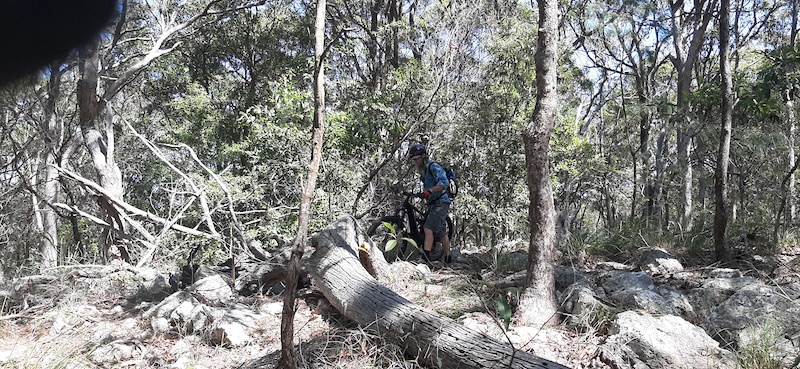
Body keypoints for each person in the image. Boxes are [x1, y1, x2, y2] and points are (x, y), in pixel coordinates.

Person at [408, 144, 452, 263]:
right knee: (441, 231)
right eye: (413, 160)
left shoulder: (433, 167)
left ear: (423, 157)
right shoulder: (423, 171)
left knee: (428, 228)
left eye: (416, 159)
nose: (415, 162)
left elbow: (444, 183)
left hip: (441, 202)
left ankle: (425, 258)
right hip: (432, 203)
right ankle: (448, 256)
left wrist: (429, 191)